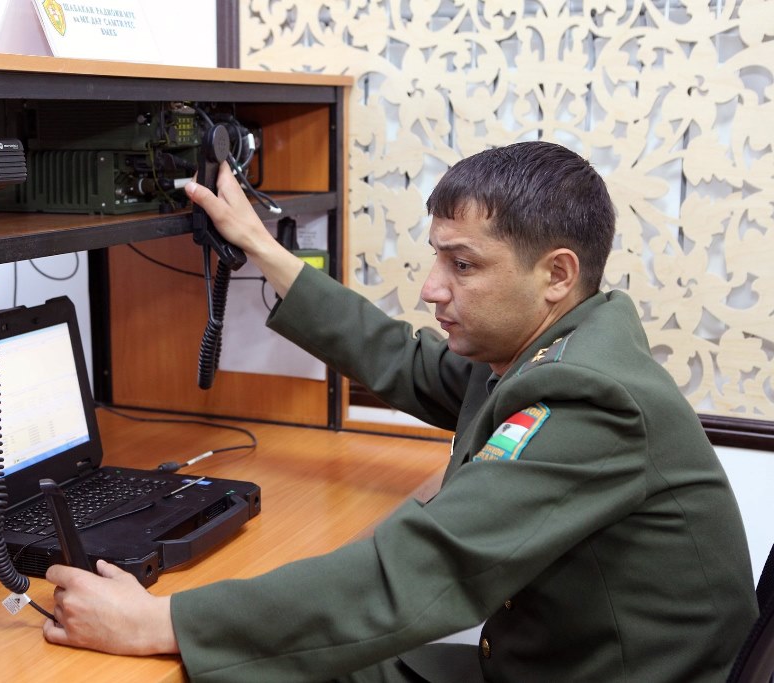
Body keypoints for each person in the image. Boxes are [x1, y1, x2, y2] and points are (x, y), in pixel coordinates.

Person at [43, 141, 759, 682]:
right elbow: (404, 360)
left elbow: (418, 574)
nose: (431, 288)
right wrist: (259, 244)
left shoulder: (588, 398)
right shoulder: (547, 348)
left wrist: (161, 620)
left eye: (463, 265)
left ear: (556, 274)